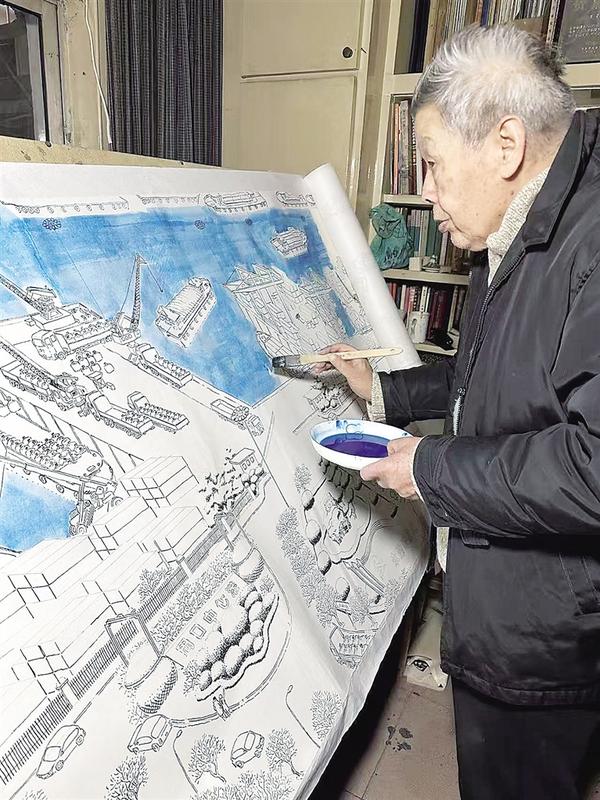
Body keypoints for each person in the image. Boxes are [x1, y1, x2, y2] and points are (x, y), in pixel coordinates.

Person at [315, 24, 600, 800]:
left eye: (434, 163)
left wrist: (430, 469)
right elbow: (501, 373)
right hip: (513, 602)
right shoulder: (524, 221)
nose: (428, 191)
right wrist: (385, 390)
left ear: (505, 146)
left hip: (544, 637)